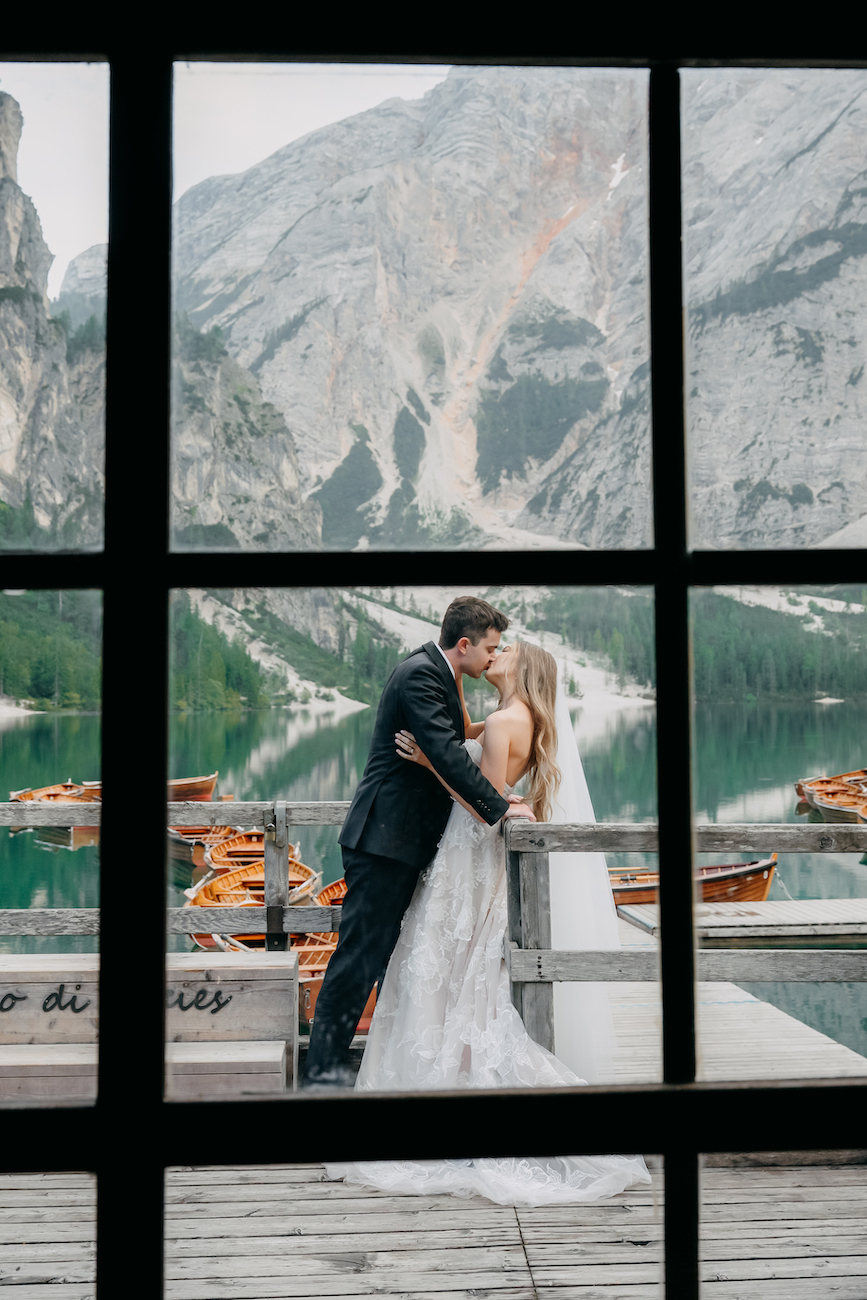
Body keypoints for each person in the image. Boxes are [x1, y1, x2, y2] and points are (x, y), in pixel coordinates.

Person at [325, 639, 650, 1205]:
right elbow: (474, 749)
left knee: (439, 968)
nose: (498, 655)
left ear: (525, 670)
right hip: (466, 856)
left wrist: (432, 761)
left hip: (466, 854)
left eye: (508, 652)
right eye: (494, 648)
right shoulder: (506, 718)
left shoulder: (504, 723)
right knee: (453, 970)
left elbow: (482, 802)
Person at [303, 596, 536, 1088]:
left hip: (406, 842)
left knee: (397, 954)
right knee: (359, 957)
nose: (494, 657)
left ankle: (390, 1068)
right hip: (385, 841)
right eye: (490, 649)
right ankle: (320, 1073)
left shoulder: (441, 673)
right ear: (465, 644)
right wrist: (500, 807)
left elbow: (453, 747)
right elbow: (448, 758)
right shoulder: (420, 674)